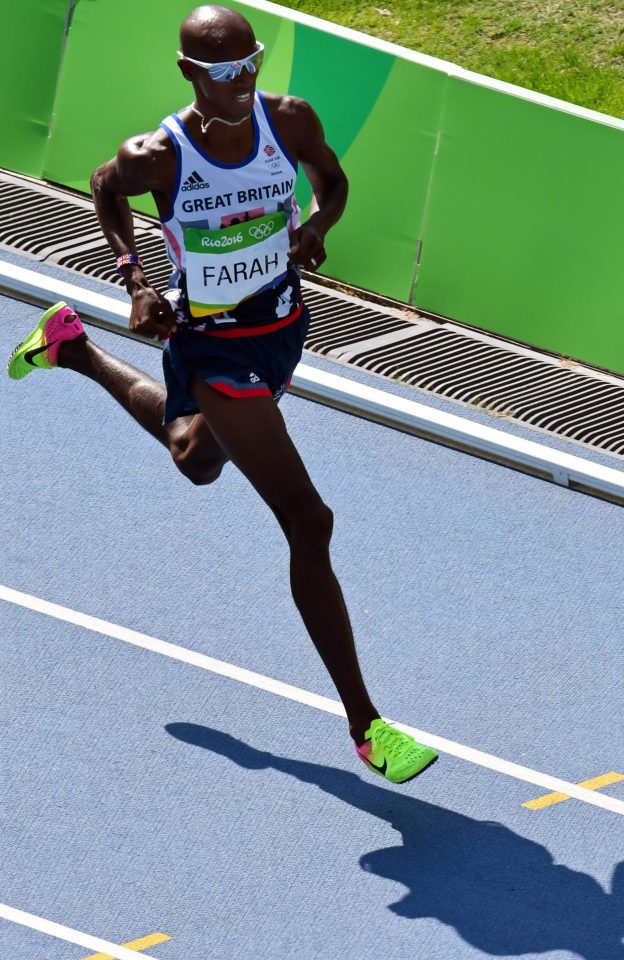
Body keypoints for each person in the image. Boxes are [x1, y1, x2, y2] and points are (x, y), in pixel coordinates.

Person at [7, 5, 437, 783]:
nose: (237, 83)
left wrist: (315, 226)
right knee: (310, 520)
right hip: (213, 348)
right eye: (219, 71)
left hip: (283, 329)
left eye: (248, 65)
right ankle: (368, 727)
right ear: (187, 73)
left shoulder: (290, 122)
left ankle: (71, 349)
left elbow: (334, 184)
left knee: (196, 459)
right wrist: (137, 280)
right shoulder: (157, 157)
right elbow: (106, 192)